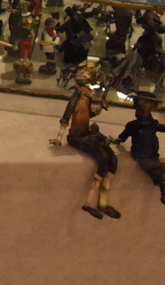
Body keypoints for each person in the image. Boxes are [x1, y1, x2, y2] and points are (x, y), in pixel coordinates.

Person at [50, 61, 119, 219]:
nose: (82, 75)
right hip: (76, 137)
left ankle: (102, 203)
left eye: (87, 74)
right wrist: (59, 138)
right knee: (103, 158)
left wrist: (99, 108)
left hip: (85, 133)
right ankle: (88, 203)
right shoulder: (77, 95)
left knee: (112, 158)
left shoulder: (87, 95)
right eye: (81, 72)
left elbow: (87, 113)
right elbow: (67, 115)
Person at [114, 92, 165, 206]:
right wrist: (118, 140)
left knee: (160, 170)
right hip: (142, 156)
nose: (152, 107)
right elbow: (123, 136)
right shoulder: (134, 125)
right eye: (149, 104)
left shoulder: (151, 124)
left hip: (152, 155)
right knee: (157, 170)